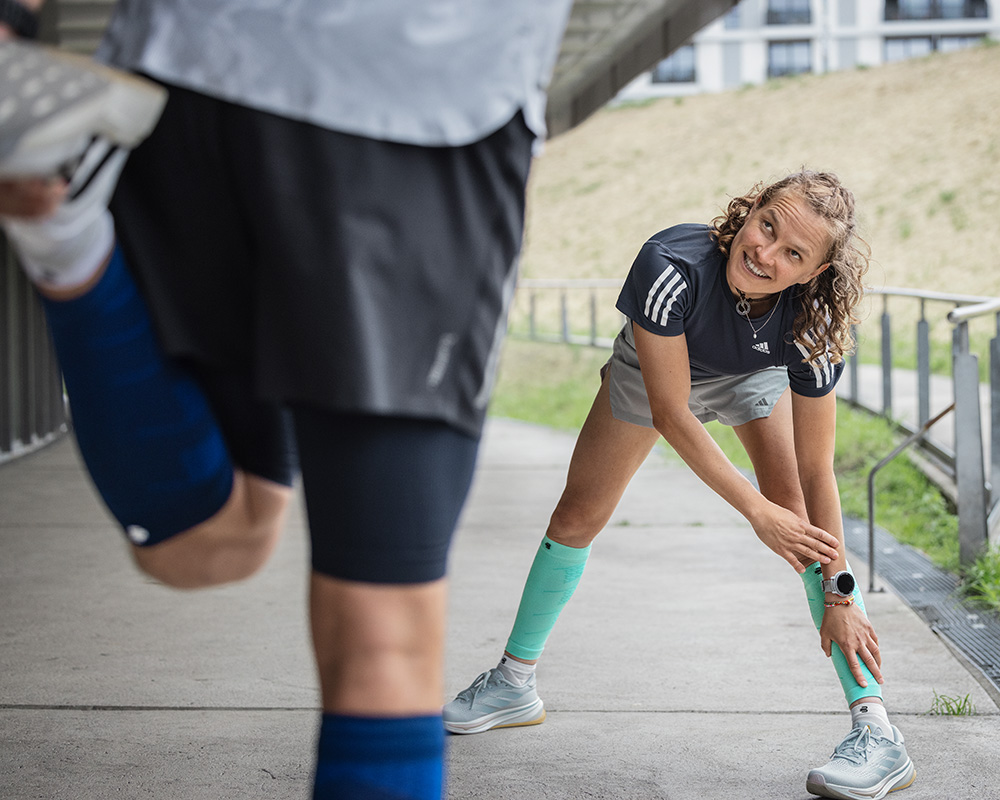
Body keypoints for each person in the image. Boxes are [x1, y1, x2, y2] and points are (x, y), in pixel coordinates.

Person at [0, 2, 574, 798]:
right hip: (424, 104)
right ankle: (63, 234)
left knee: (205, 543)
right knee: (383, 642)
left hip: (196, 68)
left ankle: (64, 230)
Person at [443, 171, 916, 800]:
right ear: (752, 209)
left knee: (801, 522)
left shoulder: (811, 322)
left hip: (751, 374)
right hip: (660, 366)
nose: (765, 252)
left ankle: (877, 732)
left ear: (814, 272)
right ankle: (512, 683)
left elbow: (816, 470)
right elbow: (672, 412)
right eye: (767, 225)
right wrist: (755, 512)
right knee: (576, 517)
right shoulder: (670, 266)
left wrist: (841, 596)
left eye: (793, 253)